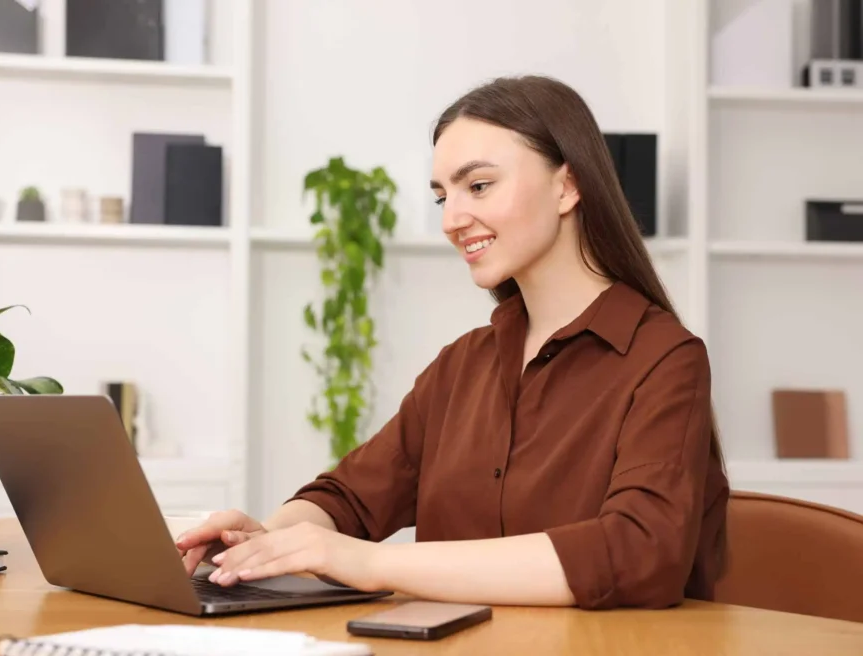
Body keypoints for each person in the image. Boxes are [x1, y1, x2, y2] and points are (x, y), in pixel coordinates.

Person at [176, 75, 730, 611]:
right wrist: (264, 541)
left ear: (568, 185)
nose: (452, 219)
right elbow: (350, 498)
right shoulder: (463, 364)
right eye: (443, 196)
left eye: (479, 186)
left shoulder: (664, 358)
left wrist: (371, 564)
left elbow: (637, 552)